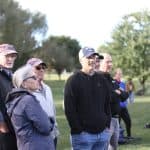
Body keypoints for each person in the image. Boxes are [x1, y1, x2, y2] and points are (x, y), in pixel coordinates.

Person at [64, 47, 111, 150]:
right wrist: (79, 130)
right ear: (81, 60)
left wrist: (107, 125)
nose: (92, 59)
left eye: (94, 56)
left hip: (102, 135)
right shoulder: (73, 81)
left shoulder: (102, 80)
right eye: (89, 57)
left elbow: (107, 104)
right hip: (83, 137)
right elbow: (69, 109)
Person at [6, 65, 55, 150]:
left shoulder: (17, 100)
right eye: (33, 77)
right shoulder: (28, 100)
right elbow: (45, 127)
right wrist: (51, 120)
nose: (37, 79)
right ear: (24, 83)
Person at [26, 58, 59, 149]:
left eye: (43, 67)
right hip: (37, 138)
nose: (41, 70)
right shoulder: (27, 91)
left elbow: (53, 111)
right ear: (28, 71)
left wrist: (55, 130)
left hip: (52, 135)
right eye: (38, 67)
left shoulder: (48, 88)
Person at [99, 54, 129, 150]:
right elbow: (107, 97)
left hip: (115, 120)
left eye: (111, 62)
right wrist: (117, 92)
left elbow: (125, 95)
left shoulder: (111, 79)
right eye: (107, 62)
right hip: (106, 121)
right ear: (100, 63)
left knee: (114, 147)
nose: (110, 64)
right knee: (104, 147)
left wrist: (116, 92)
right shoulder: (98, 78)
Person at [0, 43, 18, 150]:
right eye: (7, 56)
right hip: (4, 129)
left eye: (12, 56)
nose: (10, 59)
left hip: (14, 126)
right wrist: (1, 124)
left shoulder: (12, 75)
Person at [113, 69, 132, 139]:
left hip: (123, 107)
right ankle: (117, 138)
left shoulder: (123, 83)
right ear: (115, 74)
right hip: (117, 107)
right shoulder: (113, 82)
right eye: (119, 74)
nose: (120, 75)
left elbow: (124, 94)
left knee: (128, 121)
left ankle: (129, 136)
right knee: (117, 124)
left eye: (121, 74)